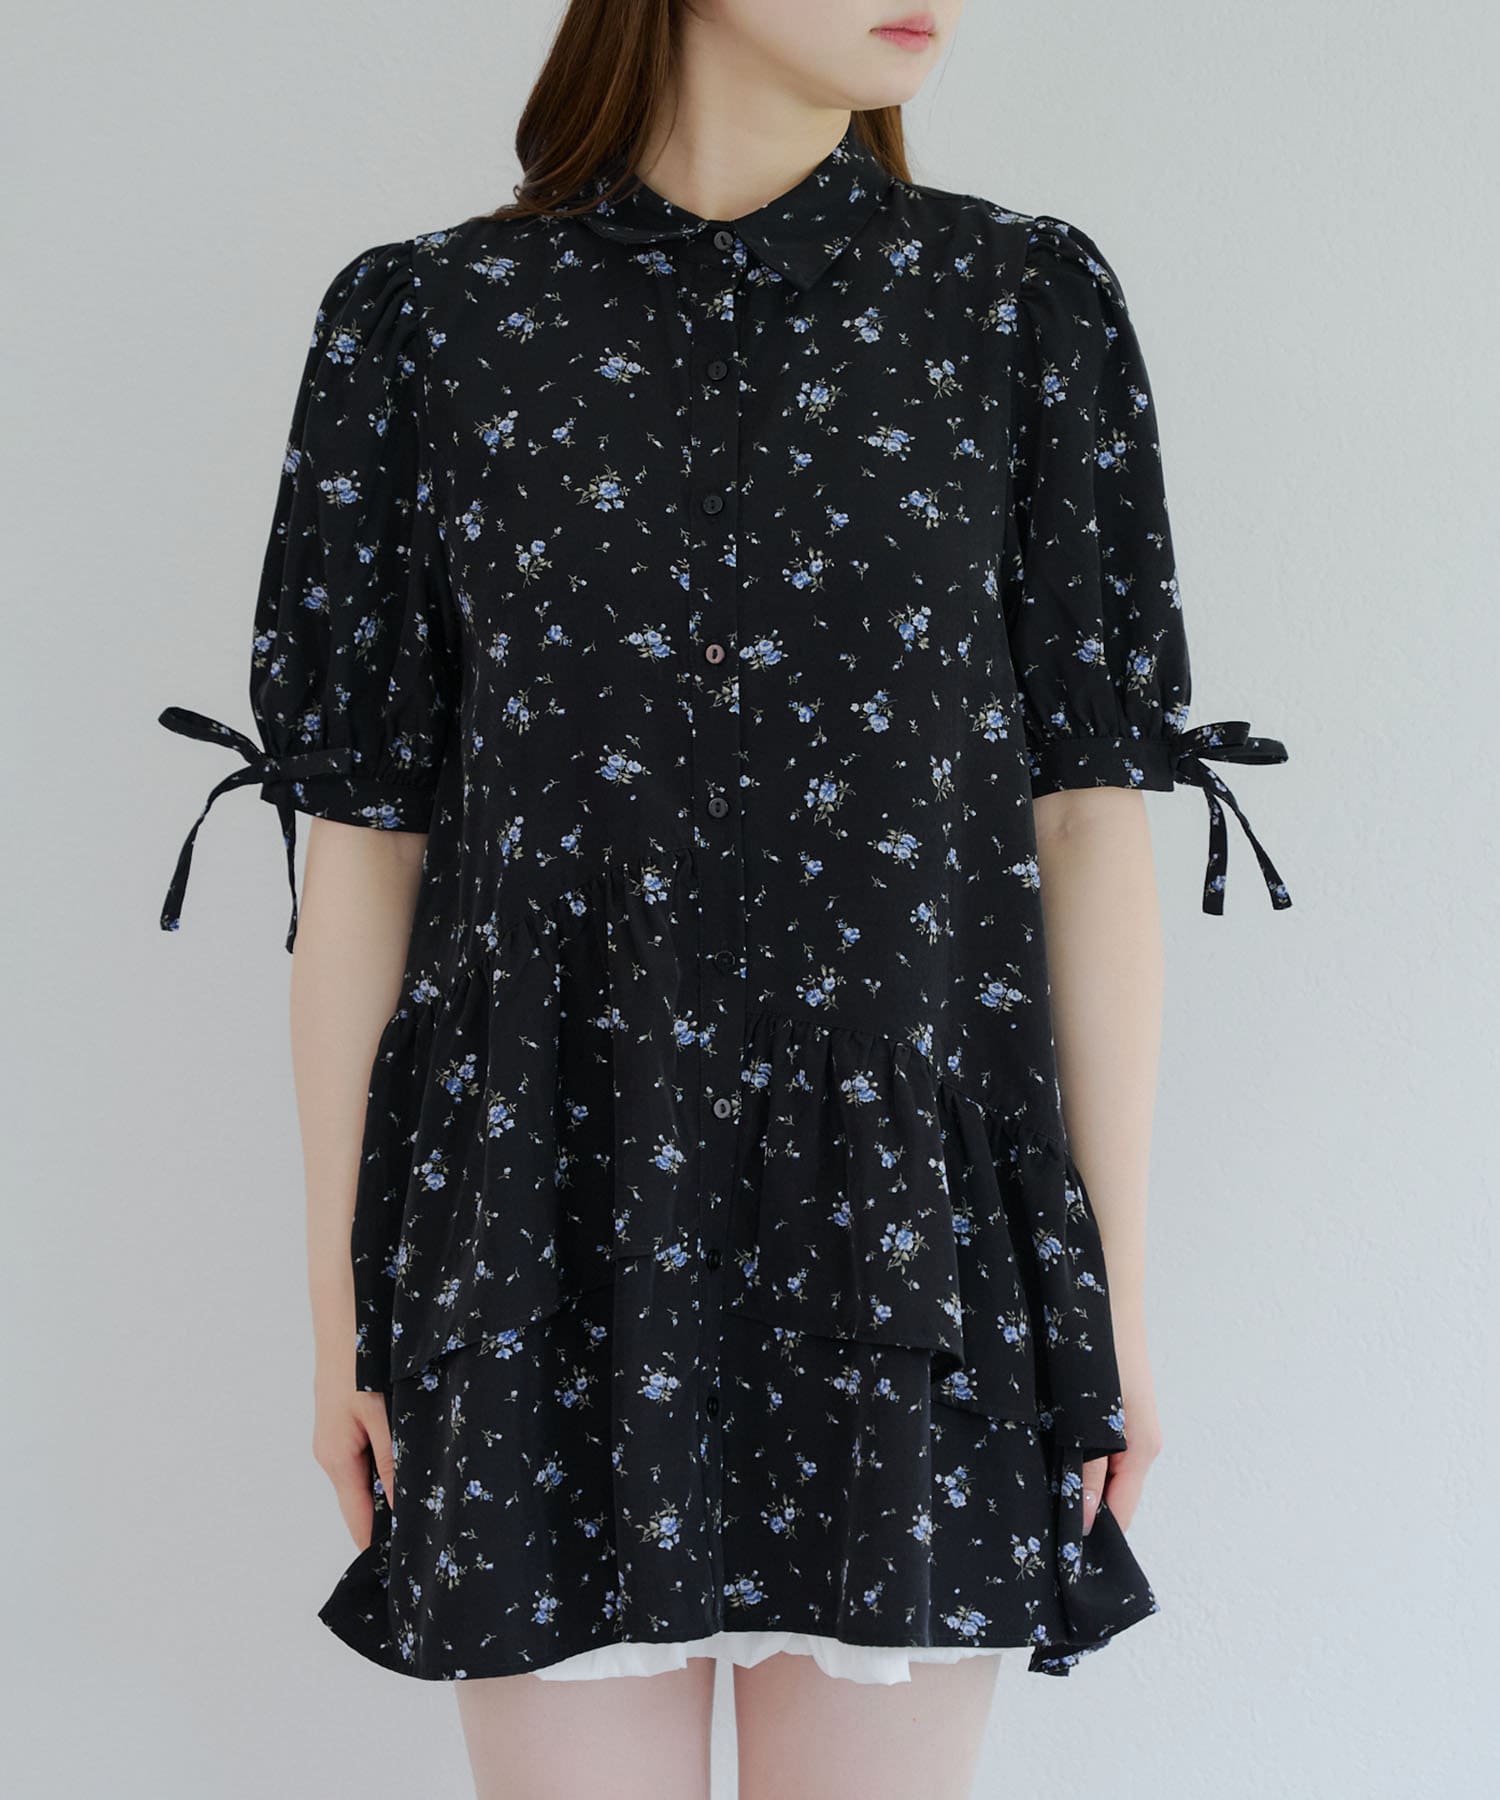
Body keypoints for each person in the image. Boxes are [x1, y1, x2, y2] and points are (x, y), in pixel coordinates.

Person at [156, 1, 1293, 1794]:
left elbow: (1089, 828)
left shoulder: (1017, 305)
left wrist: (1113, 1315)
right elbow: (362, 850)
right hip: (536, 1245)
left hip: (911, 1251)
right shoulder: (429, 322)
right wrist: (345, 1318)